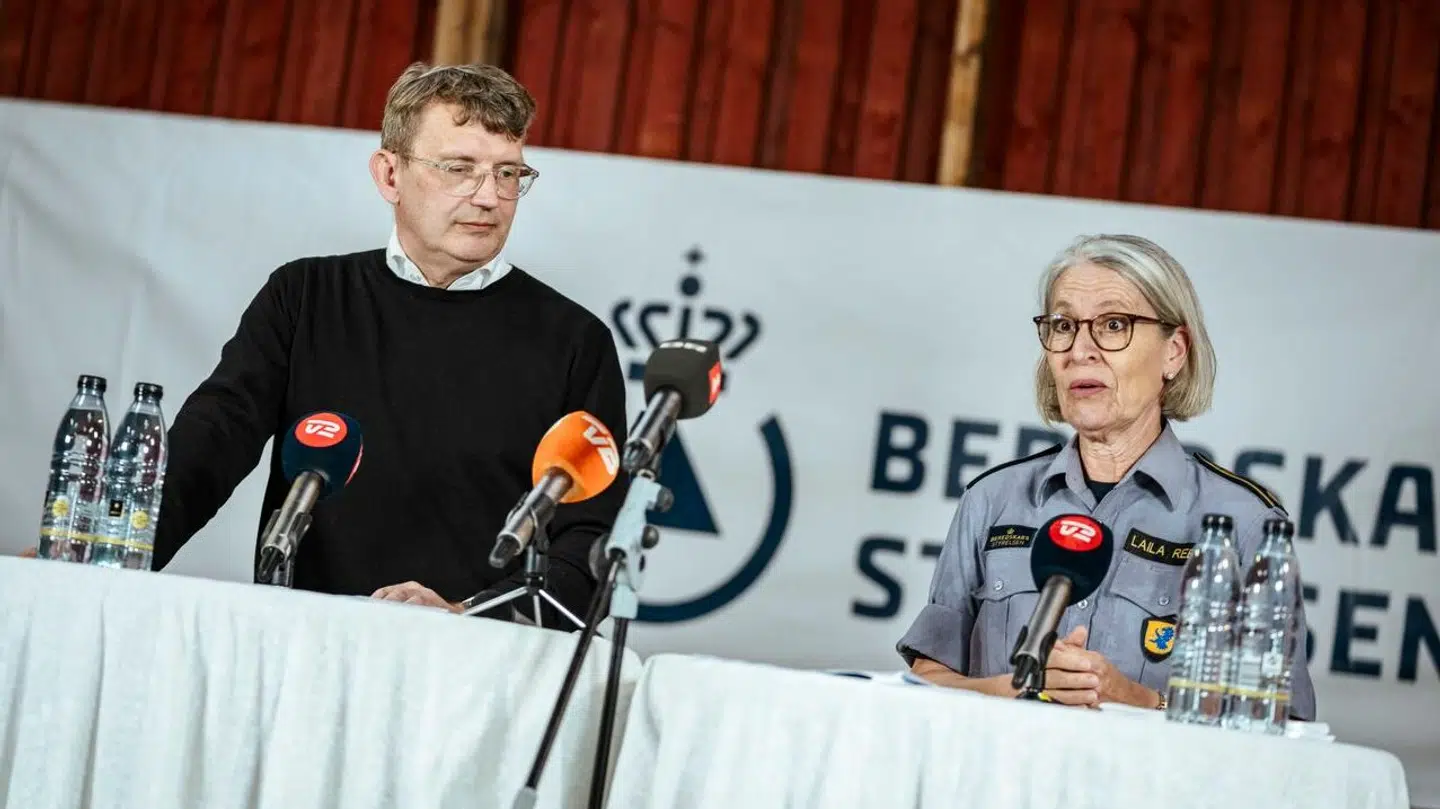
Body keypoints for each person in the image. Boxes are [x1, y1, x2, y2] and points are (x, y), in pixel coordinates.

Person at [146, 62, 628, 622]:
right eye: (459, 169)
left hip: (476, 658)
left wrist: (467, 615)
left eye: (507, 173)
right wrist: (103, 563)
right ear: (390, 175)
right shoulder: (305, 298)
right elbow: (208, 447)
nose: (489, 197)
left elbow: (590, 543)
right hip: (302, 640)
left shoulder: (575, 343)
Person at [896, 234, 1316, 719]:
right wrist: (1016, 690)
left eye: (1113, 325)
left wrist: (1141, 702)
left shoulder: (1244, 522)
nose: (1080, 350)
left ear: (1174, 352)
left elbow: (1285, 722)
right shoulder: (992, 500)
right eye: (1063, 326)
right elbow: (925, 681)